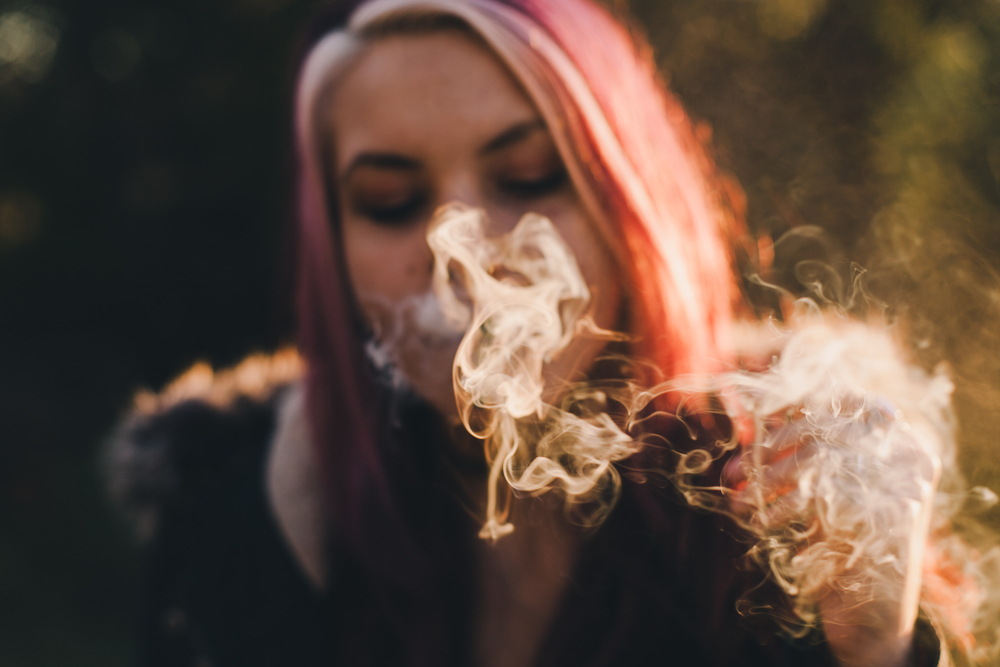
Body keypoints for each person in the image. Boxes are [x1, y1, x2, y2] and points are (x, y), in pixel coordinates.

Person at [108, 0, 974, 665]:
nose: (464, 250)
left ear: (627, 204)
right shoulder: (233, 523)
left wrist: (873, 648)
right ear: (328, 246)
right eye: (389, 201)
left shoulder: (789, 510)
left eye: (527, 176)